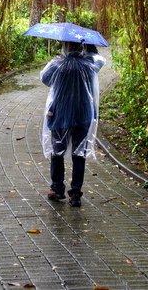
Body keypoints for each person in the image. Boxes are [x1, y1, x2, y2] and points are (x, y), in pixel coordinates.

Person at [40, 40, 106, 207]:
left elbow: (44, 79)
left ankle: (57, 188)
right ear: (82, 47)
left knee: (57, 152)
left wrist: (57, 60)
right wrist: (90, 50)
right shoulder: (89, 65)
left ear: (65, 47)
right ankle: (75, 194)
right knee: (79, 153)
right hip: (83, 115)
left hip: (60, 114)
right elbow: (100, 60)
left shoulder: (57, 65)